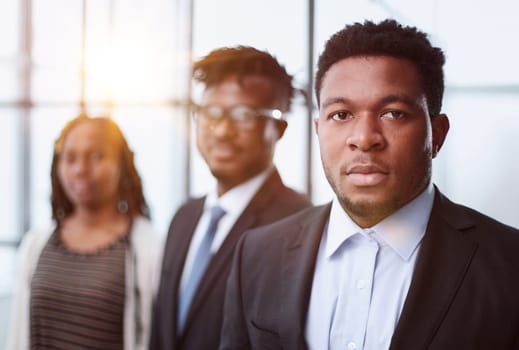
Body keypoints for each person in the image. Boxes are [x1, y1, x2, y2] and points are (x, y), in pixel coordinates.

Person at [220, 19, 519, 350]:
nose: (364, 139)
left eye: (393, 113)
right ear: (319, 130)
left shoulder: (509, 265)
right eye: (341, 115)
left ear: (438, 134)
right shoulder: (257, 255)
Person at [150, 46, 312, 350]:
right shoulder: (184, 217)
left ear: (278, 128)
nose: (222, 131)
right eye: (211, 113)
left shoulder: (299, 225)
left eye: (243, 115)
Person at [7, 115, 162, 350]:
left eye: (96, 157)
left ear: (121, 165)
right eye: (69, 158)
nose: (80, 169)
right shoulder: (36, 243)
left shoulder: (148, 247)